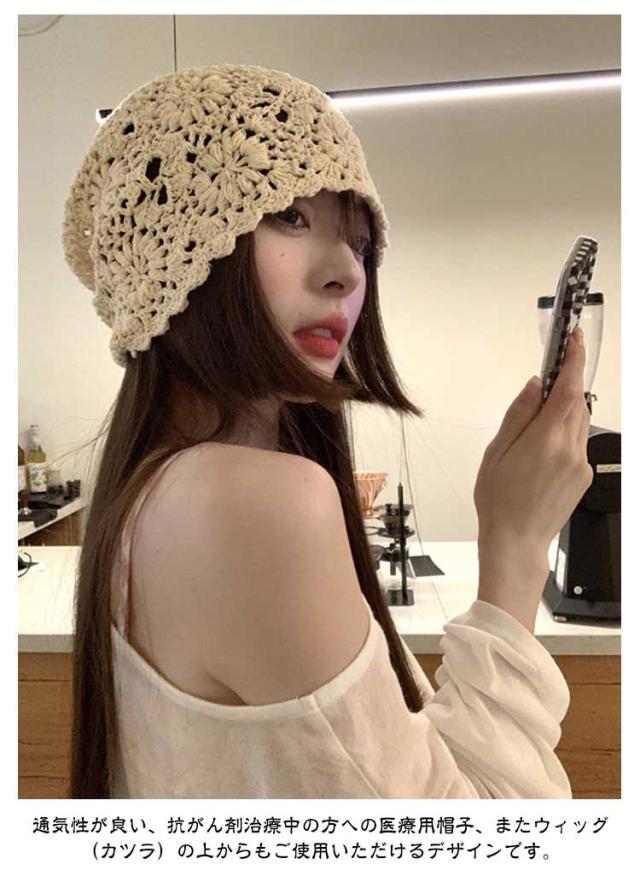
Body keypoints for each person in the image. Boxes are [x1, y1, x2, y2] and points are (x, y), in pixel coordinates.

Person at [62, 63, 592, 799]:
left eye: (360, 240)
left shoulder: (153, 489)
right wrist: (517, 542)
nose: (346, 270)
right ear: (173, 257)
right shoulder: (253, 501)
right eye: (289, 214)